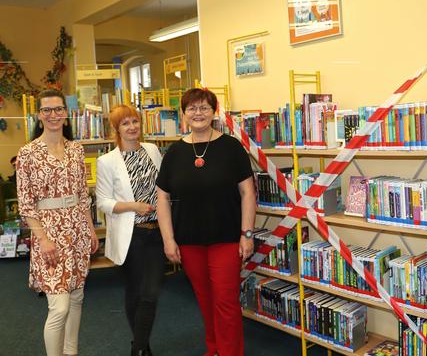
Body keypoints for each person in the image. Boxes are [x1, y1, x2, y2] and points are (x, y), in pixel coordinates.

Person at [156, 88, 256, 356]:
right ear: (183, 114)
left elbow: (248, 193)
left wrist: (247, 233)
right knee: (205, 300)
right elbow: (162, 199)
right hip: (189, 240)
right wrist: (168, 240)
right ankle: (214, 349)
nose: (198, 113)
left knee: (225, 302)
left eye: (204, 108)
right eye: (192, 108)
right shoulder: (174, 152)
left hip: (226, 238)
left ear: (214, 112)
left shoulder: (231, 147)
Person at [16, 89, 99, 356]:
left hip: (77, 228)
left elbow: (82, 195)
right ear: (39, 116)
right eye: (47, 110)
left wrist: (90, 229)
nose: (53, 115)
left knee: (76, 297)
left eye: (58, 109)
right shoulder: (27, 153)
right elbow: (26, 203)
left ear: (66, 114)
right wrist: (43, 239)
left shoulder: (76, 149)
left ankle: (70, 351)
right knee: (59, 306)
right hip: (48, 233)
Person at [95, 105, 164, 356]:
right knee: (136, 291)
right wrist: (133, 206)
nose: (132, 127)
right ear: (116, 129)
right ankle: (142, 347)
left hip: (157, 232)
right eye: (125, 123)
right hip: (131, 234)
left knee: (151, 292)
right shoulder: (107, 161)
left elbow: (165, 186)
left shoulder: (153, 150)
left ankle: (137, 347)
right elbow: (102, 201)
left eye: (135, 121)